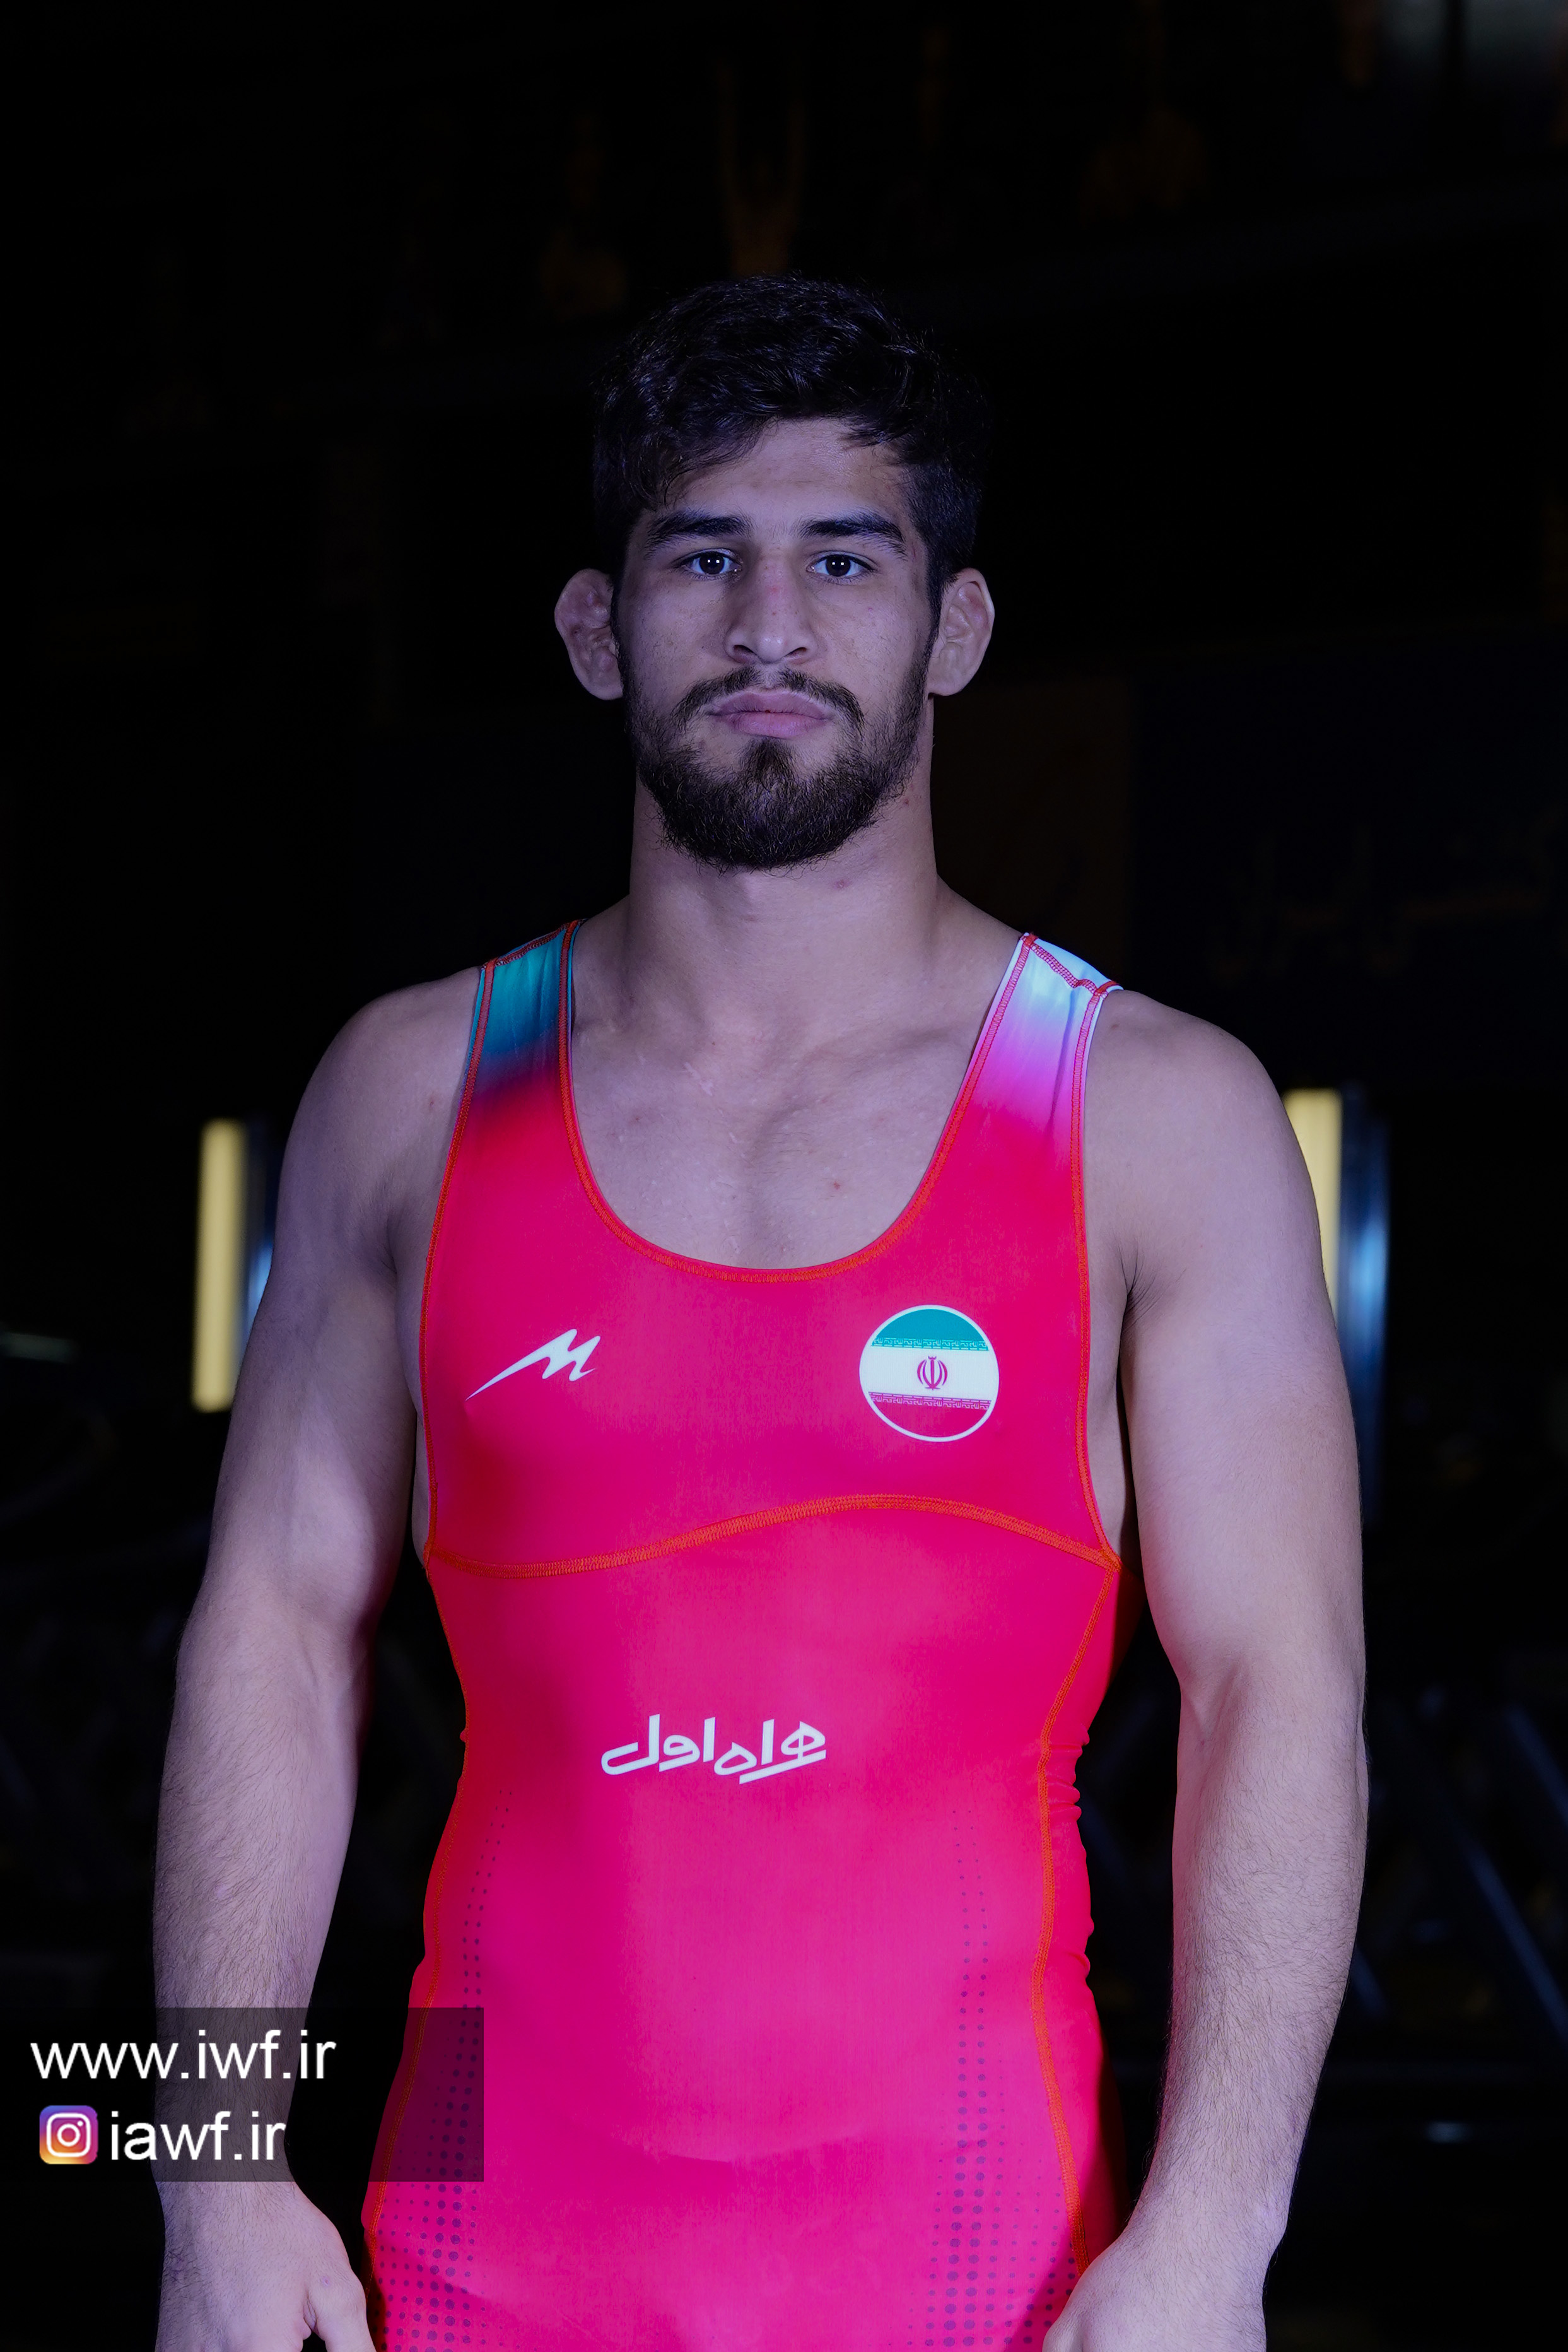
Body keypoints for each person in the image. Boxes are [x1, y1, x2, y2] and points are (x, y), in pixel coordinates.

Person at [153, 278, 1366, 2351]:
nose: (773, 625)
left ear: (954, 629)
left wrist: (1218, 2234)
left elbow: (1282, 1691)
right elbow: (268, 1631)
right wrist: (208, 2182)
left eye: (847, 560)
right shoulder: (408, 1095)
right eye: (704, 556)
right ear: (597, 626)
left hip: (981, 2263)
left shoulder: (1158, 1115)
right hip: (470, 2250)